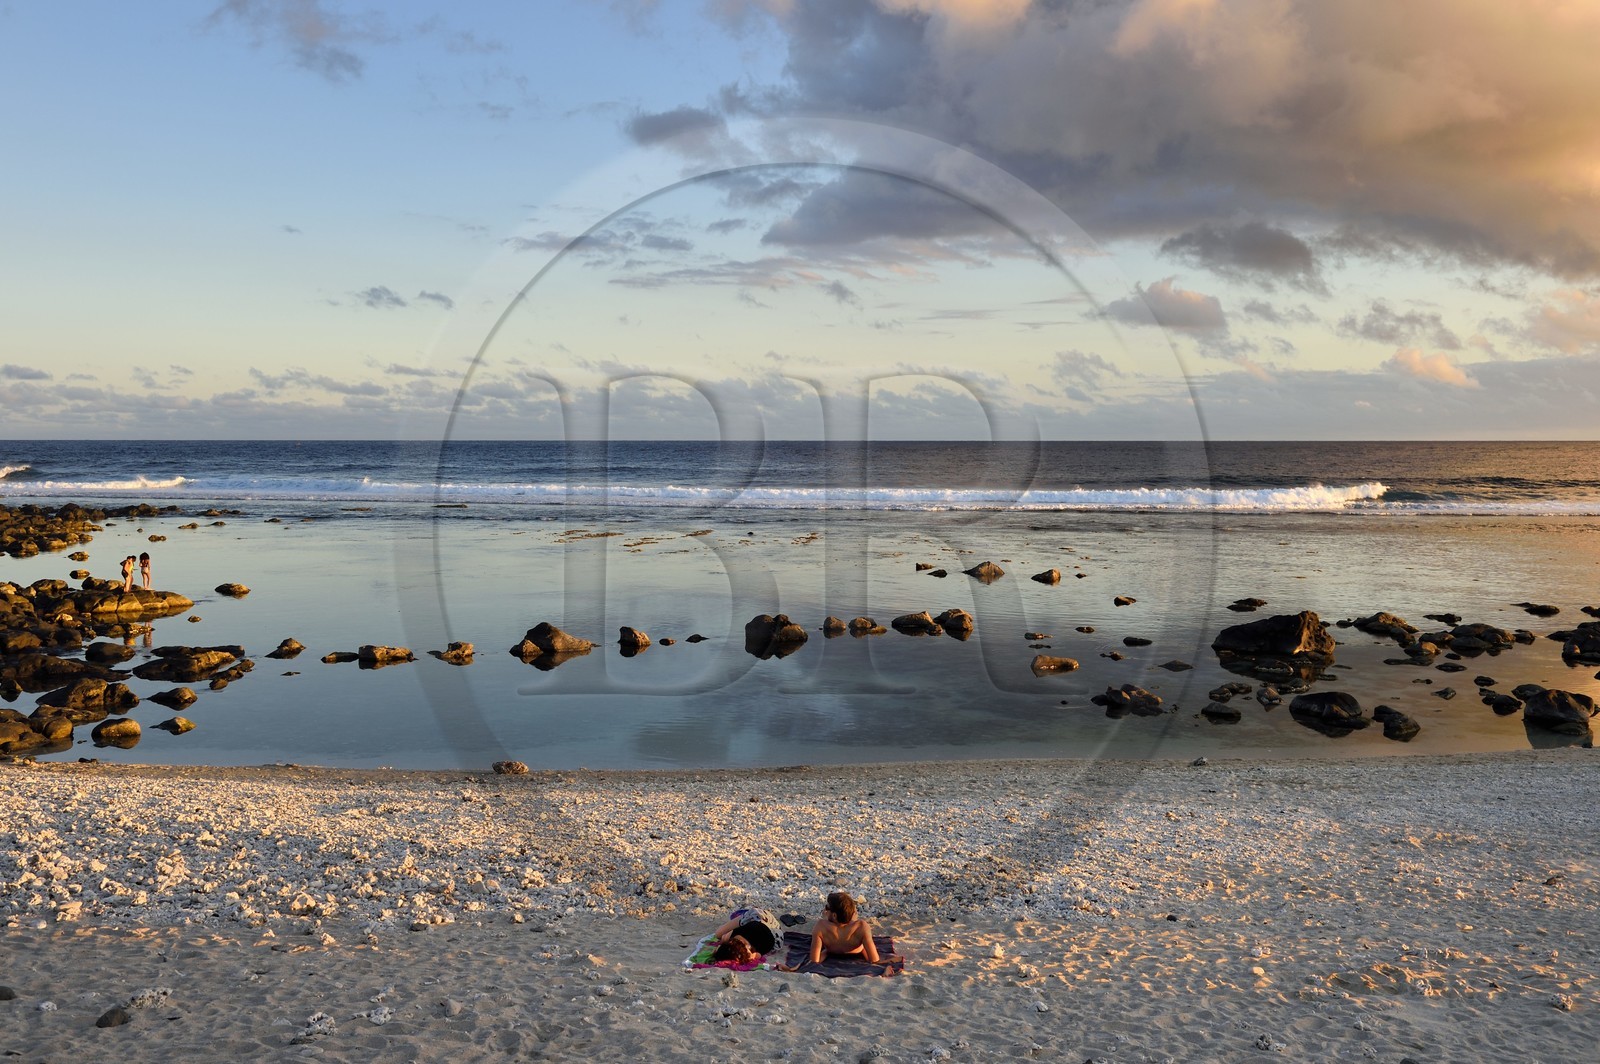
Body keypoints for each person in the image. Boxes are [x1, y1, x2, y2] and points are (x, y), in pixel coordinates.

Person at [805, 891, 880, 965]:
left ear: (834, 915)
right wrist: (853, 920)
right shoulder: (861, 926)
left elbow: (814, 960)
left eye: (827, 907)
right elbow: (874, 959)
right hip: (855, 951)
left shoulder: (821, 926)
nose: (825, 910)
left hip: (832, 951)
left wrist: (825, 920)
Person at [709, 906, 784, 959]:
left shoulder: (750, 953)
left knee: (718, 934)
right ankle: (743, 914)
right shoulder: (736, 934)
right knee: (719, 934)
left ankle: (742, 915)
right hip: (766, 922)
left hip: (771, 928)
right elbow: (723, 939)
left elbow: (723, 940)